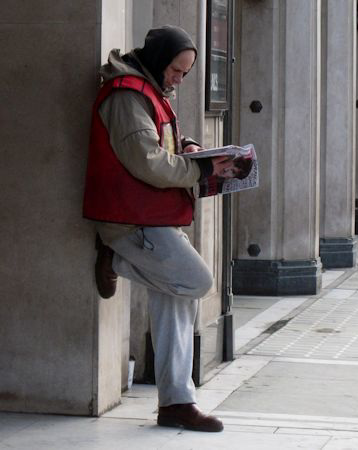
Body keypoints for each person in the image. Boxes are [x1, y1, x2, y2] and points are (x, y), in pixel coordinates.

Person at [82, 25, 239, 433]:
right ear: (157, 60)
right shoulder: (126, 94)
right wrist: (201, 167)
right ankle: (113, 257)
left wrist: (186, 146)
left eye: (185, 74)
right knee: (195, 281)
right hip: (131, 221)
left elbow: (157, 144)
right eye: (175, 70)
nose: (178, 80)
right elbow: (147, 161)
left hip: (152, 216)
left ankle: (176, 402)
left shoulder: (147, 90)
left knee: (176, 298)